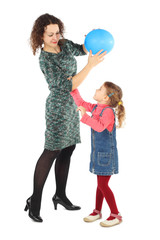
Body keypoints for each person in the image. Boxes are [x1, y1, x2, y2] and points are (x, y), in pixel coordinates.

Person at [24, 13, 106, 222]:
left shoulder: (64, 44)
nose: (54, 37)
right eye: (49, 34)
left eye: (57, 32)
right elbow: (70, 85)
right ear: (40, 36)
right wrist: (89, 66)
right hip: (58, 108)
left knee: (68, 149)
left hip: (72, 105)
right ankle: (34, 202)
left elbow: (81, 50)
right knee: (51, 151)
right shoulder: (46, 59)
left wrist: (91, 41)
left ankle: (60, 195)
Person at [70, 81, 125, 227]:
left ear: (106, 98)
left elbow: (100, 127)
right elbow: (81, 102)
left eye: (100, 89)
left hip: (106, 155)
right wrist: (73, 89)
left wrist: (84, 116)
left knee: (102, 185)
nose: (96, 89)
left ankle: (115, 214)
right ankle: (97, 211)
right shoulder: (96, 107)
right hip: (98, 153)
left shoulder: (107, 112)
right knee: (100, 184)